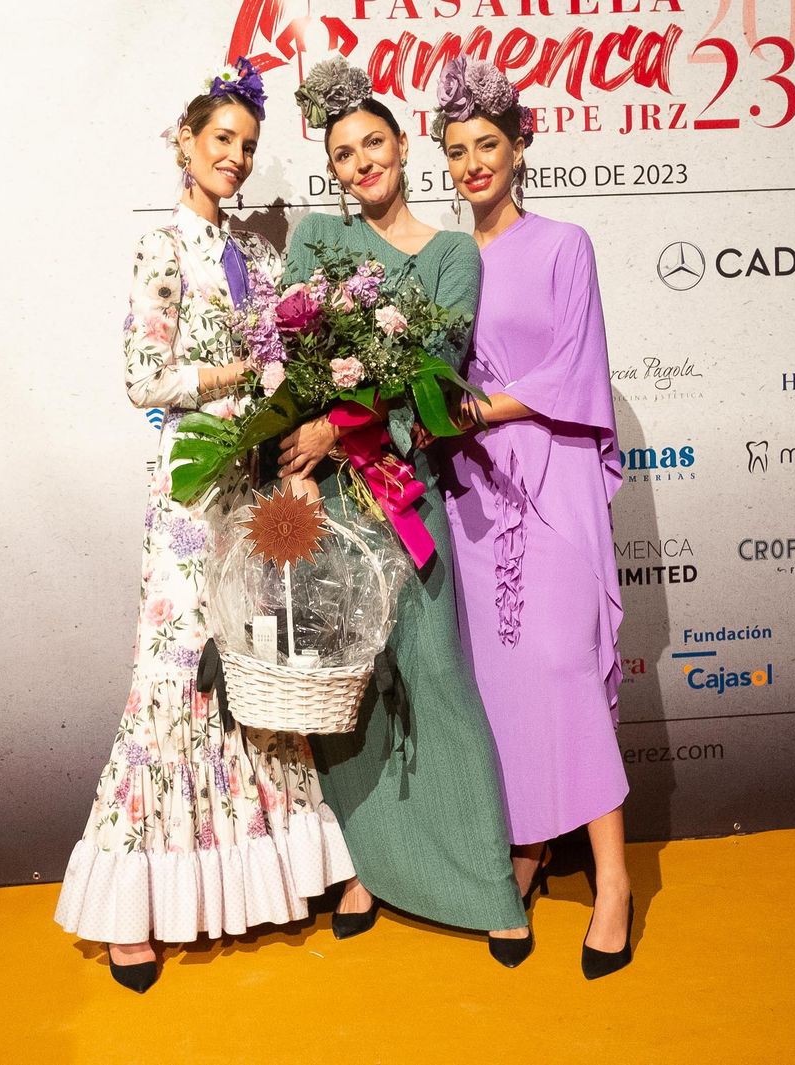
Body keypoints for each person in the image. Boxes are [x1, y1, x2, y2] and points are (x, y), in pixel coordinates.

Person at [54, 58, 353, 994]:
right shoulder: (161, 250)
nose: (234, 157)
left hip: (256, 488)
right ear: (184, 144)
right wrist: (237, 377)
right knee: (174, 674)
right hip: (189, 490)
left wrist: (297, 398)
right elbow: (145, 380)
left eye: (247, 147)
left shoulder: (263, 260)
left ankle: (282, 870)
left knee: (257, 663)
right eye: (220, 140)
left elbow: (287, 363)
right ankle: (132, 904)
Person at [274, 58, 529, 965]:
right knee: (350, 692)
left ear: (402, 145)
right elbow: (285, 361)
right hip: (328, 499)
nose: (360, 163)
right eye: (343, 154)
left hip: (402, 489)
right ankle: (365, 866)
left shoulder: (452, 253)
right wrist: (301, 448)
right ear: (335, 170)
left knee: (438, 680)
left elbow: (436, 376)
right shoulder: (312, 241)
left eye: (373, 143)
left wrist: (340, 429)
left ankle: (485, 884)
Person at [434, 57, 635, 979]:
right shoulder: (443, 263)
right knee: (501, 682)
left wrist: (484, 408)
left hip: (548, 478)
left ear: (520, 148)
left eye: (488, 145)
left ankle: (616, 877)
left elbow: (573, 368)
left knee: (563, 666)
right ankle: (523, 847)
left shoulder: (565, 244)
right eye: (458, 150)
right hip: (474, 494)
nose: (473, 163)